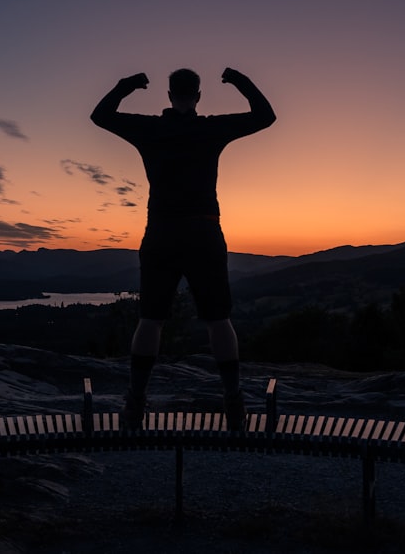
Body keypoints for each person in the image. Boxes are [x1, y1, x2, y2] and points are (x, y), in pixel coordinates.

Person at [90, 67, 276, 430]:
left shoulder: (151, 129)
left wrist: (126, 86)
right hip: (204, 232)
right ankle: (234, 405)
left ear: (170, 95)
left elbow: (100, 116)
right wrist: (240, 81)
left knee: (151, 319)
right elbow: (265, 116)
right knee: (219, 319)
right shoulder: (209, 129)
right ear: (199, 96)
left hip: (161, 232)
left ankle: (135, 405)